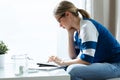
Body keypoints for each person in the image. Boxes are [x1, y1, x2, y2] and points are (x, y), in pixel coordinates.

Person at [48, 0, 120, 80]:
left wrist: (62, 63)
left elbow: (86, 60)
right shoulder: (78, 32)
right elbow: (73, 56)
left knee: (73, 70)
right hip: (104, 63)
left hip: (116, 65)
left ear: (67, 14)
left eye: (59, 21)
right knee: (66, 67)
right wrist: (70, 35)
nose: (60, 25)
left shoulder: (87, 27)